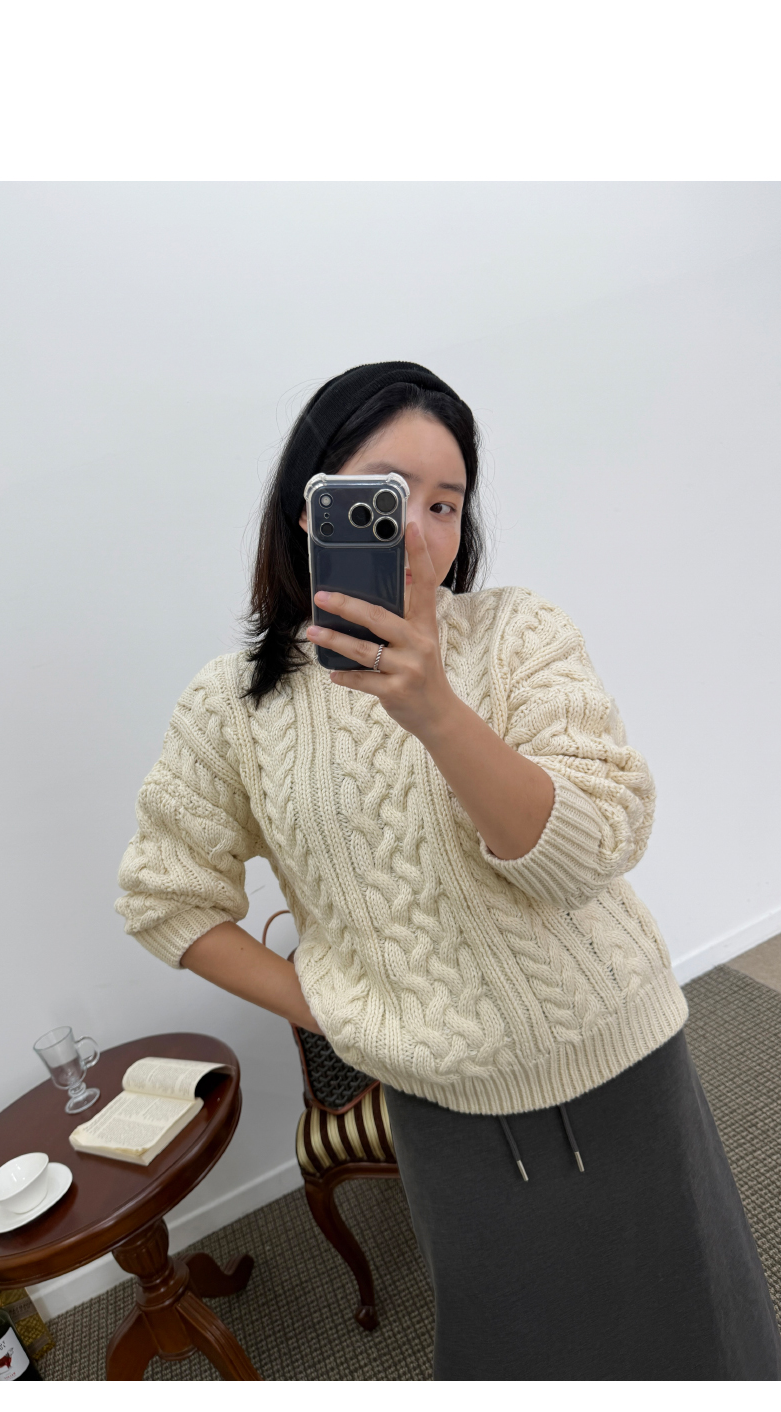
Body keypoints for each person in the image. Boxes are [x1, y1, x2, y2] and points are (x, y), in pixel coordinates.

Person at [116, 361, 781, 1379]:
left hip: (616, 1049)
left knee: (696, 1322)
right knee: (515, 1346)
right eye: (386, 498)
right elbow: (165, 896)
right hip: (442, 1102)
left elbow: (589, 850)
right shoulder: (231, 707)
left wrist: (435, 712)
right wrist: (330, 1006)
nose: (420, 532)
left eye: (445, 503)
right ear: (311, 506)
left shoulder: (518, 633)